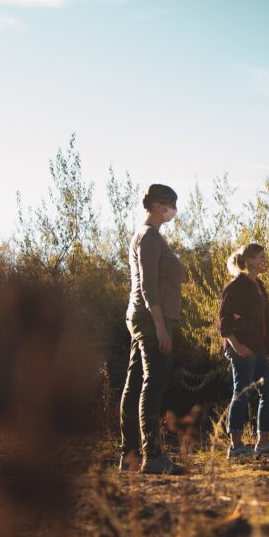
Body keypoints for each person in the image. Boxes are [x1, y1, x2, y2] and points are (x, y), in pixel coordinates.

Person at [119, 184, 187, 475]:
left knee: (135, 384)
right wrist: (160, 326)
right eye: (172, 206)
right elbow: (148, 286)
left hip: (142, 317)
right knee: (153, 383)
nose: (174, 211)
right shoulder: (149, 236)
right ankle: (153, 456)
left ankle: (129, 455)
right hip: (150, 319)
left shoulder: (147, 236)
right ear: (161, 206)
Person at [218, 243, 269, 459]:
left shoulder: (259, 285)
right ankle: (235, 447)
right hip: (242, 349)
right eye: (261, 256)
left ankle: (262, 442)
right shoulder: (235, 286)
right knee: (243, 392)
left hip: (259, 349)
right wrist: (236, 345)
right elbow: (224, 321)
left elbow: (266, 321)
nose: (265, 260)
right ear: (251, 260)